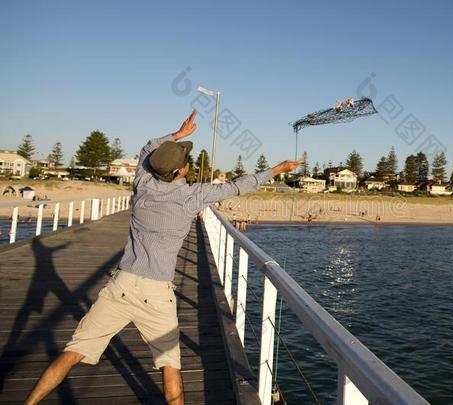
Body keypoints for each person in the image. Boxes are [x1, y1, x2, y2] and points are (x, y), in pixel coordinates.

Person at [24, 110, 303, 405]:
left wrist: (178, 134)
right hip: (156, 293)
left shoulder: (143, 183)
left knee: (73, 351)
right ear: (180, 172)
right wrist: (276, 169)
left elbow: (147, 148)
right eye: (184, 160)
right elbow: (237, 186)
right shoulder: (191, 197)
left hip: (121, 284)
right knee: (170, 365)